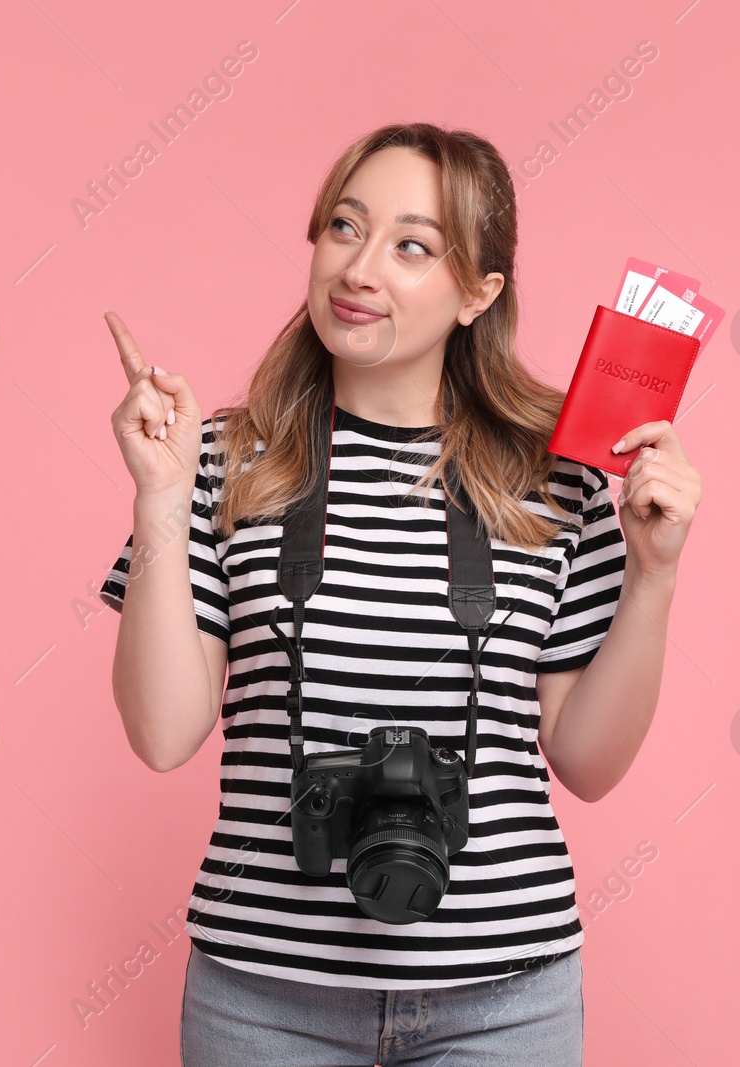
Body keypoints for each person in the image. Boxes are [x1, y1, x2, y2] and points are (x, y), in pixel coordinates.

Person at [98, 122, 701, 1067]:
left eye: (412, 246)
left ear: (477, 293)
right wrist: (163, 501)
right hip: (263, 994)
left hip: (505, 994)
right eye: (345, 227)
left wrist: (654, 573)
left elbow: (587, 761)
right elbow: (164, 732)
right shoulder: (218, 458)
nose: (360, 267)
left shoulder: (559, 486)